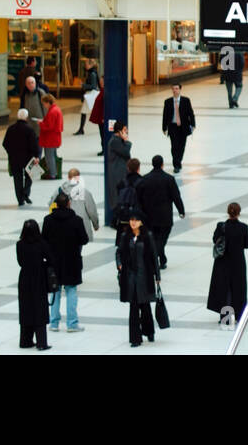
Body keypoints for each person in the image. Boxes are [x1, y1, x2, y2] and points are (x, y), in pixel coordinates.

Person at [43, 192, 89, 333]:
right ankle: (72, 323)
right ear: (69, 203)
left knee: (55, 291)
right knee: (71, 291)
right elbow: (84, 239)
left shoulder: (48, 220)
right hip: (72, 261)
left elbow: (43, 239)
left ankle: (54, 323)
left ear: (56, 204)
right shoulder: (76, 220)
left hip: (54, 262)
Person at [116, 213, 160, 347]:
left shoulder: (147, 236)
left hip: (144, 277)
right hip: (130, 278)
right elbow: (119, 252)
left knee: (145, 306)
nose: (133, 223)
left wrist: (157, 276)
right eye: (131, 220)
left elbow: (154, 256)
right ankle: (135, 338)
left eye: (136, 220)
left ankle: (149, 331)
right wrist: (119, 264)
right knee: (133, 307)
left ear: (141, 222)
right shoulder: (125, 236)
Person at [135, 155, 185, 269]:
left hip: (149, 216)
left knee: (154, 238)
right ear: (162, 164)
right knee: (162, 239)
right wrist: (181, 210)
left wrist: (140, 213)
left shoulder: (144, 179)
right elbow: (176, 196)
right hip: (165, 216)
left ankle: (162, 259)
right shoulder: (169, 179)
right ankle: (156, 257)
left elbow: (139, 197)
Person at [208, 202, 248, 323]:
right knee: (238, 288)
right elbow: (247, 245)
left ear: (228, 212)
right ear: (239, 213)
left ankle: (225, 317)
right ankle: (238, 315)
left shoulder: (221, 226)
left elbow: (214, 240)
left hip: (222, 262)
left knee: (224, 289)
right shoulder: (243, 227)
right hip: (238, 263)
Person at [13, 219, 54, 351]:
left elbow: (20, 262)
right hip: (39, 279)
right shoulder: (41, 244)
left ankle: (25, 340)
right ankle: (41, 342)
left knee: (26, 308)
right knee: (39, 308)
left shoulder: (19, 244)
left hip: (24, 278)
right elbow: (51, 260)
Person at [3, 109, 40, 206]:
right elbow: (34, 145)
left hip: (14, 158)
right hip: (28, 158)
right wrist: (36, 156)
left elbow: (5, 143)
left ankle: (20, 199)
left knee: (17, 178)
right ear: (26, 118)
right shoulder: (29, 129)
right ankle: (26, 193)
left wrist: (10, 152)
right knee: (30, 176)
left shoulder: (11, 128)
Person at [55, 167, 100, 244]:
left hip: (63, 226)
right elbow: (92, 211)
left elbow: (52, 205)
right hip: (81, 226)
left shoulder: (60, 191)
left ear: (68, 177)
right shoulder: (85, 192)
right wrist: (95, 225)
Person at [162, 83, 196, 173]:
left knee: (181, 146)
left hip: (183, 127)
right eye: (173, 89)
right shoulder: (168, 101)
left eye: (177, 88)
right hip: (173, 127)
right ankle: (176, 165)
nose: (175, 90)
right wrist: (164, 128)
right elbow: (165, 115)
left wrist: (193, 124)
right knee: (174, 146)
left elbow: (190, 113)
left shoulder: (186, 100)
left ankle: (179, 160)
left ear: (180, 90)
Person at [106, 122, 132, 212]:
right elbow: (126, 153)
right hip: (117, 174)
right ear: (119, 132)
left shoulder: (118, 141)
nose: (127, 132)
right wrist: (127, 142)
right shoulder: (115, 142)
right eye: (125, 130)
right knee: (117, 197)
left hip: (120, 172)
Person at [38, 92, 63, 180]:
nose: (44, 105)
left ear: (48, 102)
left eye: (44, 103)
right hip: (55, 137)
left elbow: (49, 126)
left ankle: (52, 174)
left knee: (49, 156)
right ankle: (54, 172)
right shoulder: (56, 109)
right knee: (53, 155)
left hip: (50, 138)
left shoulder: (52, 112)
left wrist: (41, 123)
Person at [77, 58, 99, 135]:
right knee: (84, 111)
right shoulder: (92, 73)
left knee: (84, 111)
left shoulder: (92, 74)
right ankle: (81, 129)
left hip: (91, 94)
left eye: (86, 64)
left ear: (90, 65)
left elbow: (93, 86)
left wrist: (83, 85)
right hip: (90, 94)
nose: (85, 66)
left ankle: (81, 129)